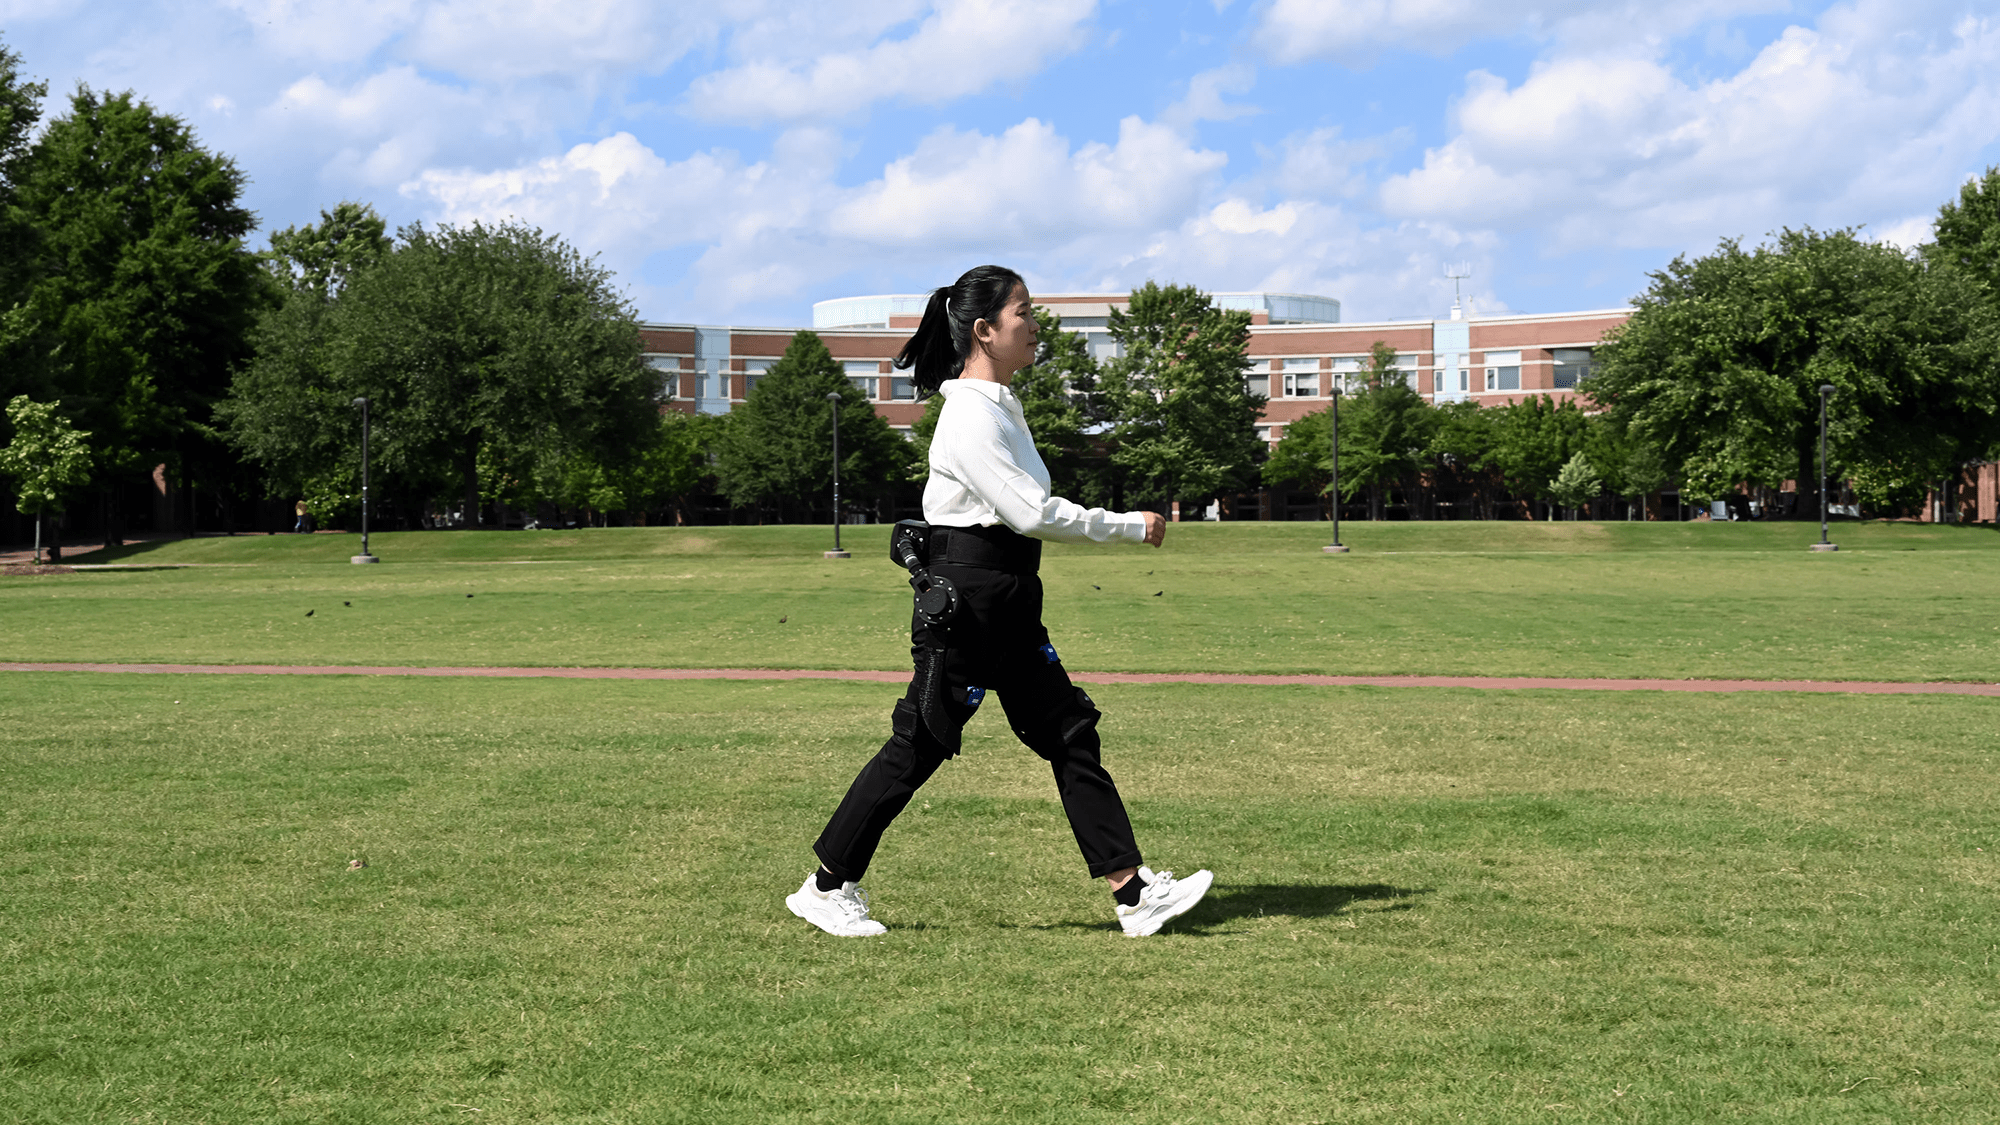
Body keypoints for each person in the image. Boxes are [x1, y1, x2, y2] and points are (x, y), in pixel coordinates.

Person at [786, 264, 1212, 939]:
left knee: (1069, 731)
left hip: (1008, 598)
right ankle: (826, 886)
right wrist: (1129, 525)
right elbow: (1029, 511)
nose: (1036, 325)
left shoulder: (1000, 407)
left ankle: (1134, 894)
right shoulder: (969, 416)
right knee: (921, 742)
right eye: (1025, 312)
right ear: (984, 330)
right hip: (969, 603)